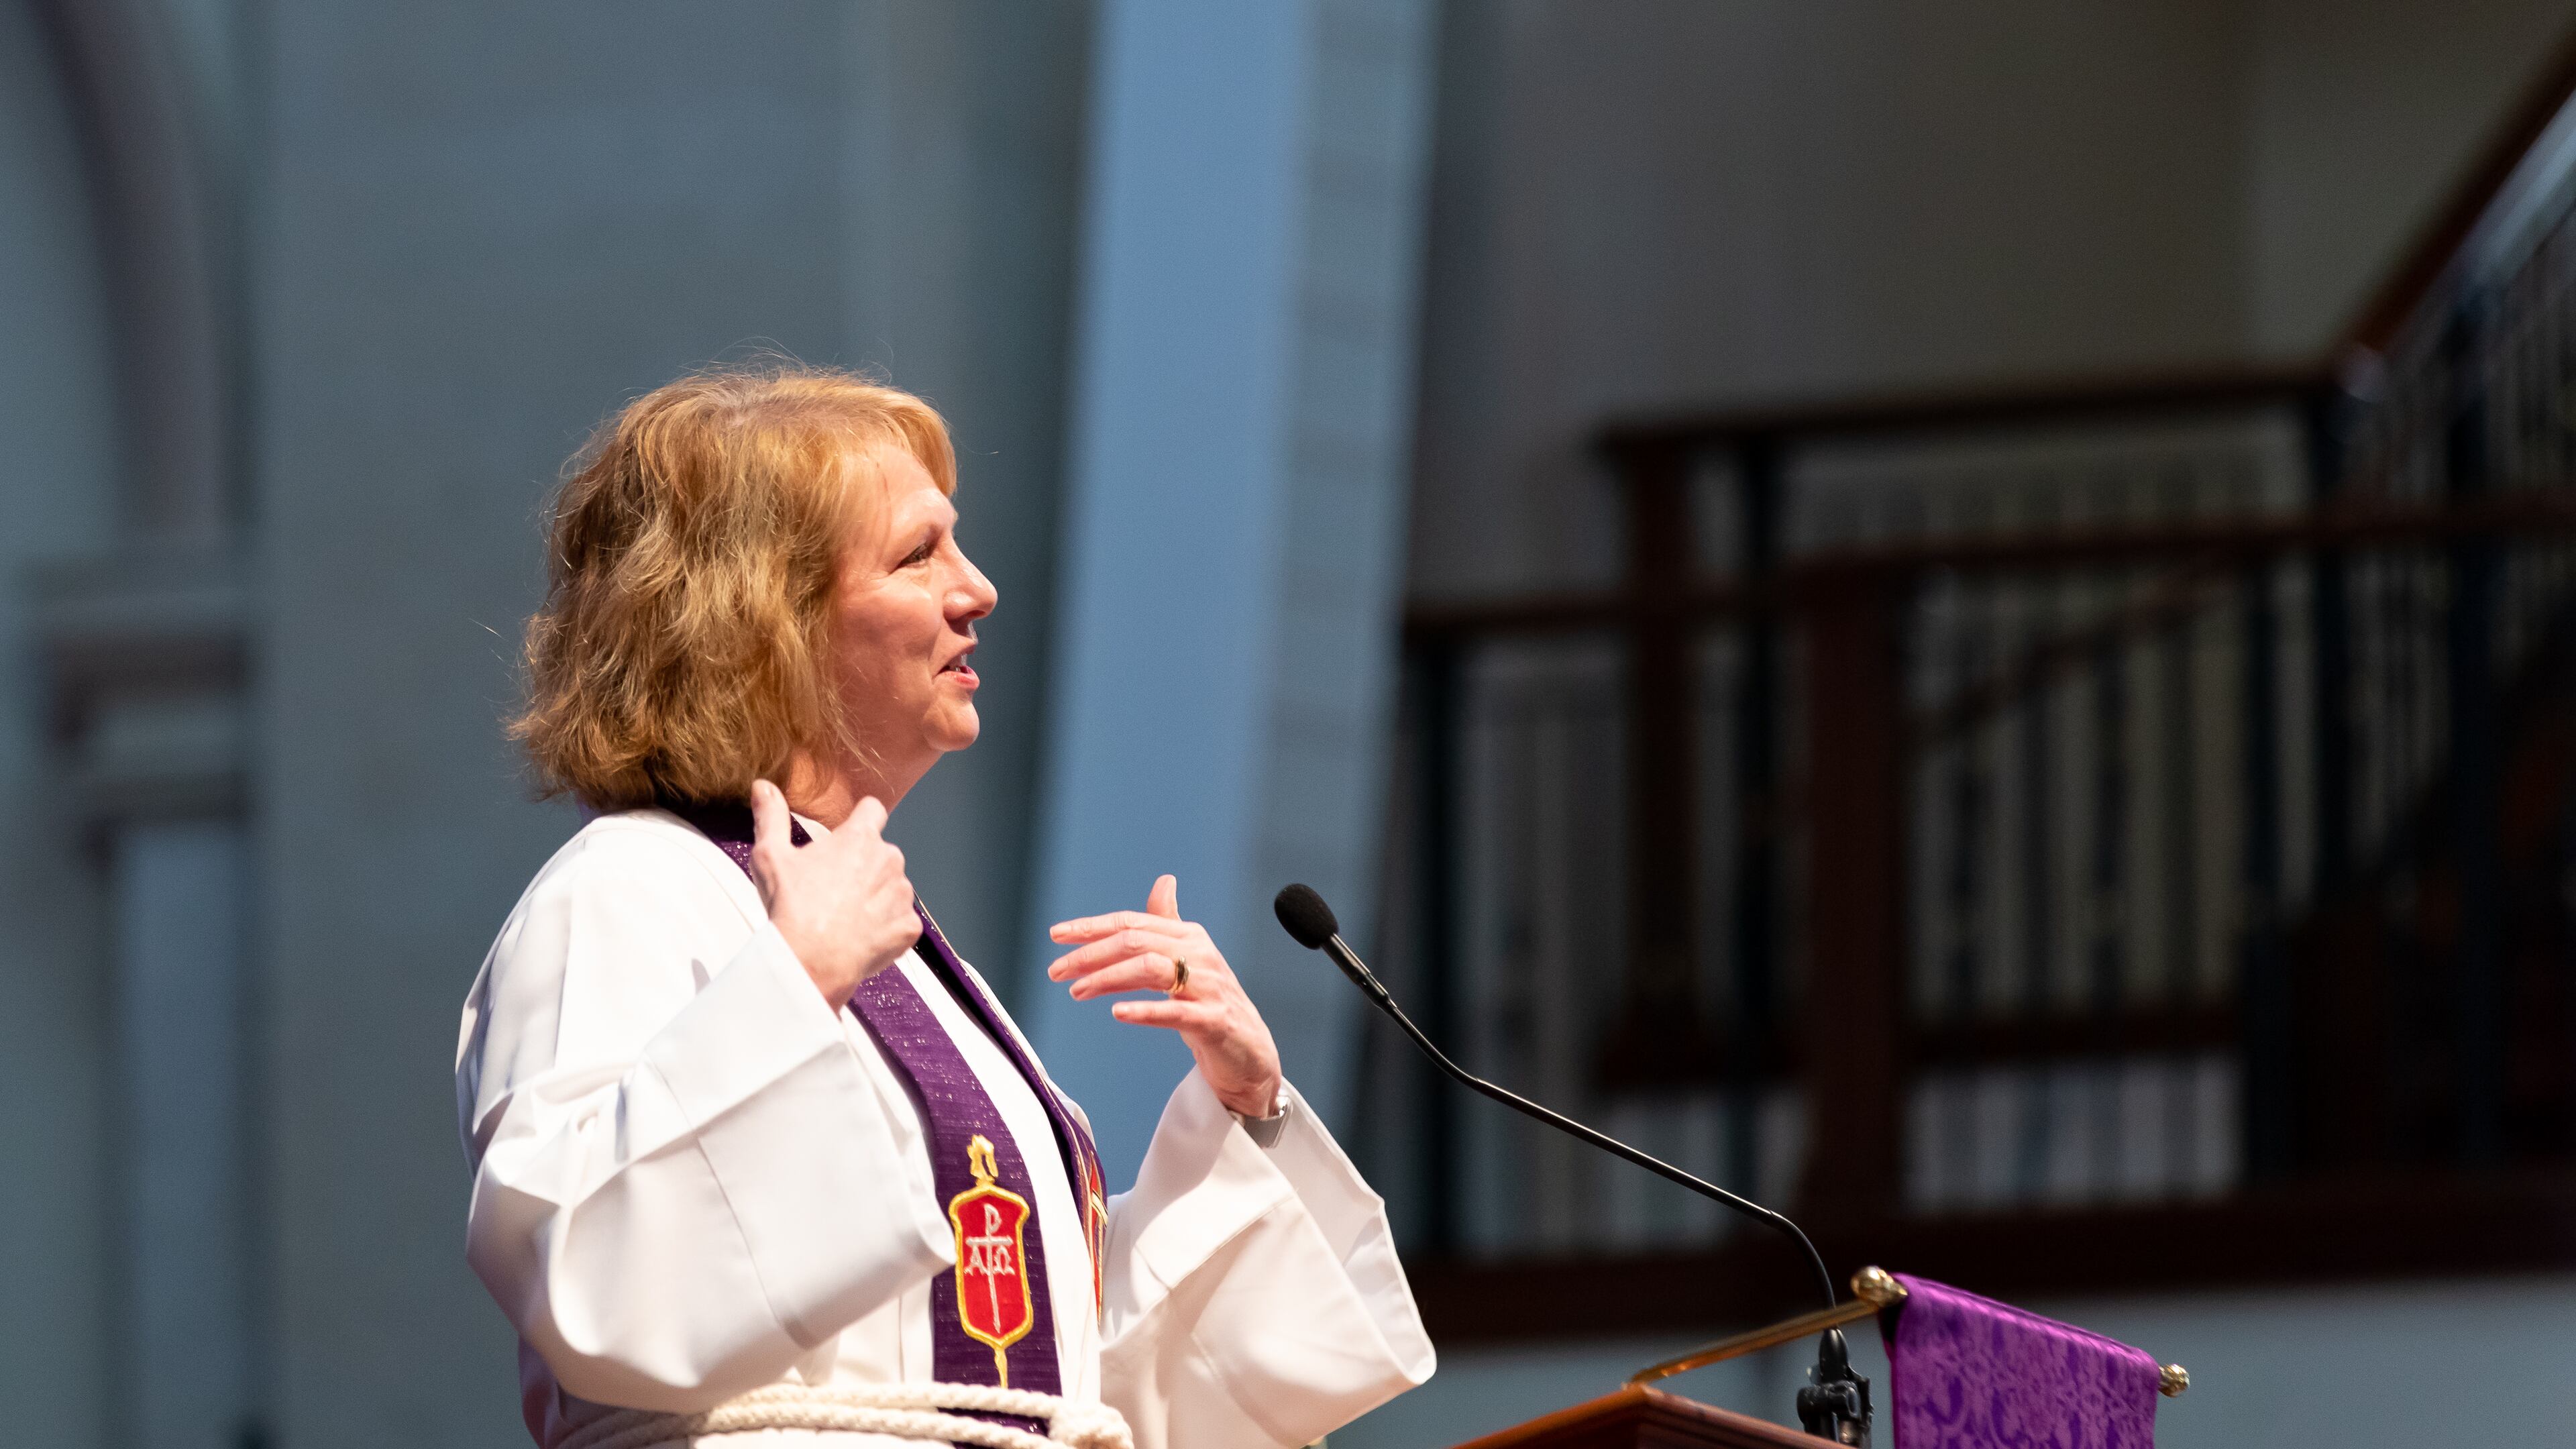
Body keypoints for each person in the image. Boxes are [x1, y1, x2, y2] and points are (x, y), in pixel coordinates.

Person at [453, 365, 1434, 1449]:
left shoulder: (895, 951)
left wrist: (1249, 1111)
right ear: (760, 617)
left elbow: (1047, 1399)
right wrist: (792, 986)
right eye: (919, 554)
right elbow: (593, 1286)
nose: (979, 591)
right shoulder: (623, 894)